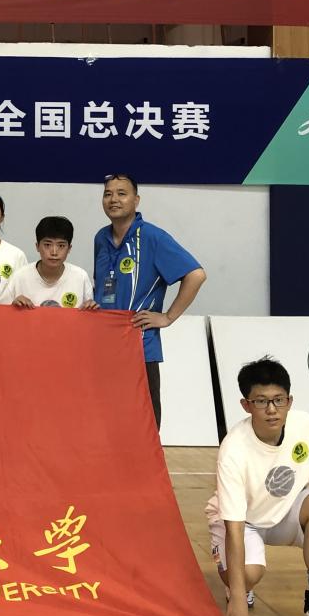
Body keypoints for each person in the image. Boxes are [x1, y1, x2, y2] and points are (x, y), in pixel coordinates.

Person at [206, 357, 309, 616]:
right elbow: (235, 528)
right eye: (261, 401)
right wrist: (238, 596)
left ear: (289, 401)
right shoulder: (233, 449)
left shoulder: (305, 425)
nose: (272, 409)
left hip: (284, 513)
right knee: (246, 576)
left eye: (278, 400)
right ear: (246, 405)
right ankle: (239, 585)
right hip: (244, 521)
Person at [93, 173, 206, 428]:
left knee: (145, 422)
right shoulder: (101, 238)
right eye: (108, 194)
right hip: (103, 344)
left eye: (122, 194)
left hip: (140, 345)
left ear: (136, 200)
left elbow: (196, 275)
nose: (113, 199)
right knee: (106, 416)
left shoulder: (153, 237)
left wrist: (168, 317)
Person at [4, 216, 97, 310]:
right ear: (37, 246)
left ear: (69, 248)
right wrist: (13, 307)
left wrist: (90, 308)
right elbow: (3, 312)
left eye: (61, 246)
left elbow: (88, 315)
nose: (54, 252)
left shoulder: (80, 277)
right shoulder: (20, 277)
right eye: (47, 245)